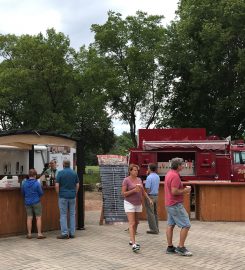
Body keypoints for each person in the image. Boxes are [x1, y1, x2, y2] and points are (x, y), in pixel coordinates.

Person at [121, 164, 153, 252]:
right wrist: (134, 190)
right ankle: (134, 244)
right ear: (130, 171)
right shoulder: (126, 180)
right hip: (129, 203)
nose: (136, 172)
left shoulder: (139, 179)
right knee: (132, 223)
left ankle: (131, 239)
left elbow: (143, 191)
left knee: (137, 222)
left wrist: (148, 199)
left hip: (138, 203)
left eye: (137, 170)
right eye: (134, 170)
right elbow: (123, 193)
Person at [164, 157, 192, 256]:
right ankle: (180, 247)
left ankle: (170, 247)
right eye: (183, 164)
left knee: (170, 225)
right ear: (178, 166)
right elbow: (174, 191)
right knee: (186, 225)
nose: (184, 166)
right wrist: (185, 190)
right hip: (175, 204)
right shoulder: (175, 176)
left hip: (169, 203)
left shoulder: (169, 173)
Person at [55, 159, 79, 239]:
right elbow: (77, 185)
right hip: (72, 196)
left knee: (63, 215)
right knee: (72, 214)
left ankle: (65, 233)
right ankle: (72, 233)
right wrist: (75, 193)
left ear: (63, 164)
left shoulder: (60, 173)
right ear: (69, 164)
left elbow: (57, 185)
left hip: (63, 196)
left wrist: (58, 193)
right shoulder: (74, 173)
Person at [21, 168, 46, 239]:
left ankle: (29, 234)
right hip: (36, 202)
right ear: (35, 175)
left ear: (29, 175)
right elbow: (41, 193)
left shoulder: (24, 183)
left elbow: (22, 193)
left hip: (27, 202)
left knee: (29, 218)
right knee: (38, 218)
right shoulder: (36, 183)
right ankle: (39, 234)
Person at [145, 163, 160, 234]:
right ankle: (157, 228)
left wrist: (146, 196)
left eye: (148, 168)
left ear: (150, 169)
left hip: (150, 196)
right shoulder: (157, 176)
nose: (147, 169)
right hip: (156, 196)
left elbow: (148, 188)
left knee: (150, 213)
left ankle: (153, 229)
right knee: (155, 213)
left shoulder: (149, 177)